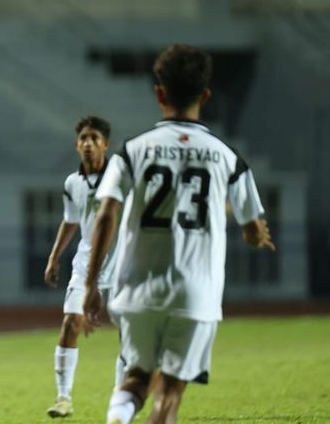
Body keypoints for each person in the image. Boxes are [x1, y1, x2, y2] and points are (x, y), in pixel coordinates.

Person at [82, 44, 275, 424]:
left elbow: (106, 215)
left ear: (159, 93)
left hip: (136, 290)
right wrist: (256, 235)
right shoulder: (228, 158)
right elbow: (253, 228)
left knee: (136, 378)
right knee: (168, 394)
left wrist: (91, 284)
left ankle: (118, 418)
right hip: (196, 294)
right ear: (205, 96)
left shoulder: (133, 151)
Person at [43, 116, 125, 418]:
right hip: (84, 265)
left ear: (105, 144)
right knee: (69, 325)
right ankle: (63, 398)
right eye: (83, 139)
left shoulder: (121, 176)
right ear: (77, 145)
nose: (88, 143)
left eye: (94, 138)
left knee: (128, 335)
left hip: (121, 267)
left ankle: (120, 400)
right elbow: (71, 220)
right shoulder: (72, 183)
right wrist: (54, 257)